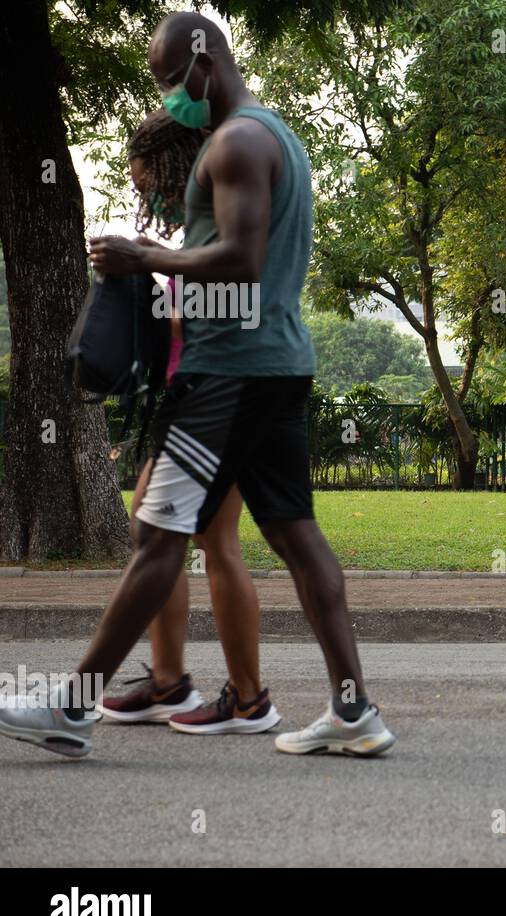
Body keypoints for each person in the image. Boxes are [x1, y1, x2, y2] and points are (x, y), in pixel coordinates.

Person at [0, 11, 393, 758]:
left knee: (156, 534)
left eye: (168, 76)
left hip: (231, 374)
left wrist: (142, 255)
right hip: (273, 366)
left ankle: (72, 706)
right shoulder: (274, 135)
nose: (166, 93)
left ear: (204, 65)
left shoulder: (239, 141)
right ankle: (353, 710)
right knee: (293, 534)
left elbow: (241, 258)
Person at [95, 109, 280, 735]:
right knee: (171, 531)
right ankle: (173, 680)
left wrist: (155, 263)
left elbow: (231, 300)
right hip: (195, 396)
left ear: (176, 166)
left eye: (149, 183)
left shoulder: (218, 214)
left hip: (223, 395)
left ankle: (243, 696)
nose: (146, 195)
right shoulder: (195, 224)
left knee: (203, 540)